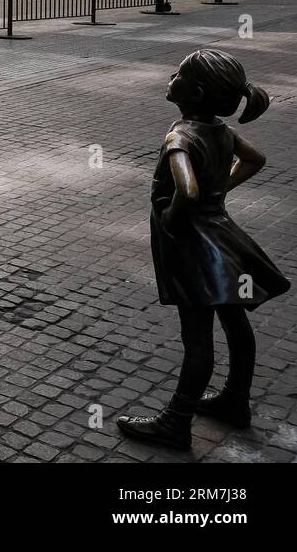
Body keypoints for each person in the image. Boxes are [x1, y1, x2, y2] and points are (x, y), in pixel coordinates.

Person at [118, 49, 289, 450]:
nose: (170, 76)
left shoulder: (180, 135)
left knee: (197, 336)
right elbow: (256, 159)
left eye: (177, 73)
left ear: (193, 91)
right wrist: (222, 190)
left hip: (193, 245)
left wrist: (174, 218)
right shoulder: (222, 132)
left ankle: (176, 422)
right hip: (223, 236)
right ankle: (235, 397)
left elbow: (187, 189)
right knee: (234, 319)